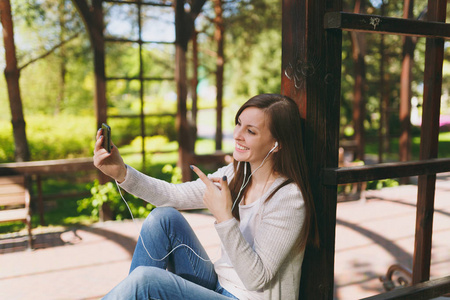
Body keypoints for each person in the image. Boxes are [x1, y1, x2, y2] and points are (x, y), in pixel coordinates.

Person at [93, 93, 319, 300]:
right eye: (238, 124)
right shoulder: (234, 174)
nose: (238, 135)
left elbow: (256, 279)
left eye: (251, 131)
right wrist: (122, 172)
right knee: (162, 219)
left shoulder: (288, 198)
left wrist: (224, 217)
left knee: (146, 282)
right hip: (218, 286)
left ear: (276, 144)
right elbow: (173, 195)